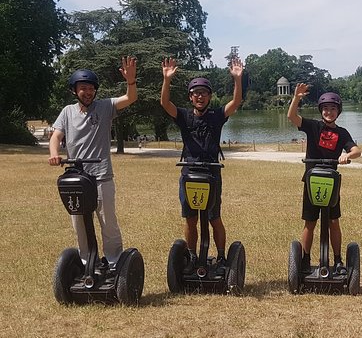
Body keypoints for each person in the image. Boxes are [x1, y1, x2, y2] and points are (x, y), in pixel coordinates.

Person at [48, 57, 138, 268]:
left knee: (108, 222)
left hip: (102, 176)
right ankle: (87, 261)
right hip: (76, 178)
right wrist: (53, 153)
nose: (87, 92)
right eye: (83, 88)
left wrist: (131, 81)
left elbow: (130, 98)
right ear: (74, 91)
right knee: (79, 222)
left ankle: (114, 261)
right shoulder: (67, 112)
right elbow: (56, 136)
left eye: (90, 88)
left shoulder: (105, 107)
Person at [160, 57, 243, 274]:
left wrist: (237, 80)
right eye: (196, 93)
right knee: (190, 218)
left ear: (209, 96)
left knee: (214, 217)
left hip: (212, 172)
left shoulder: (216, 115)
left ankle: (223, 257)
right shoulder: (185, 116)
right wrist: (166, 81)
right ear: (190, 97)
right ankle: (192, 256)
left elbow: (235, 103)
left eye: (204, 93)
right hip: (189, 172)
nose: (200, 96)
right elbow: (165, 104)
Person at [287, 83, 361, 275]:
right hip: (311, 180)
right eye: (326, 108)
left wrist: (347, 156)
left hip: (331, 181)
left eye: (333, 108)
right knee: (310, 223)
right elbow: (292, 117)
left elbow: (356, 150)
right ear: (321, 110)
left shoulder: (342, 132)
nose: (329, 112)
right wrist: (296, 98)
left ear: (338, 111)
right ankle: (304, 260)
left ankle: (337, 260)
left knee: (333, 222)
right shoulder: (313, 126)